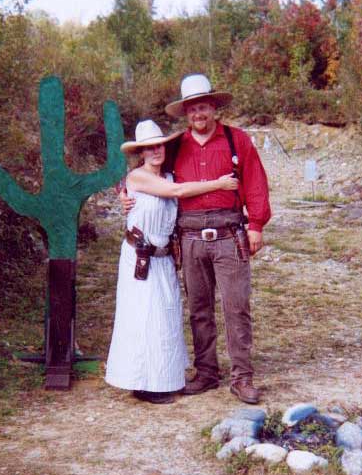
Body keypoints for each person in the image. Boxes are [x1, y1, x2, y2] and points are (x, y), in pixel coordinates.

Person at [122, 74, 271, 404]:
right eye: (192, 110)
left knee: (236, 306)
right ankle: (206, 372)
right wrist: (124, 193)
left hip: (230, 234)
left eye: (203, 107)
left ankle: (242, 376)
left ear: (214, 108)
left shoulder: (238, 141)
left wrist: (256, 224)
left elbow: (256, 182)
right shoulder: (175, 146)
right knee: (199, 309)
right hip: (189, 237)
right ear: (185, 113)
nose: (198, 115)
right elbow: (148, 172)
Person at [105, 119, 239, 404]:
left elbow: (174, 190)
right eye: (149, 148)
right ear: (140, 153)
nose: (155, 151)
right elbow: (177, 193)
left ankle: (162, 378)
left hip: (163, 256)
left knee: (164, 317)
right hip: (140, 255)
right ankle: (142, 381)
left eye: (159, 146)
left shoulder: (168, 175)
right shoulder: (139, 178)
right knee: (142, 317)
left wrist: (121, 192)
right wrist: (219, 183)